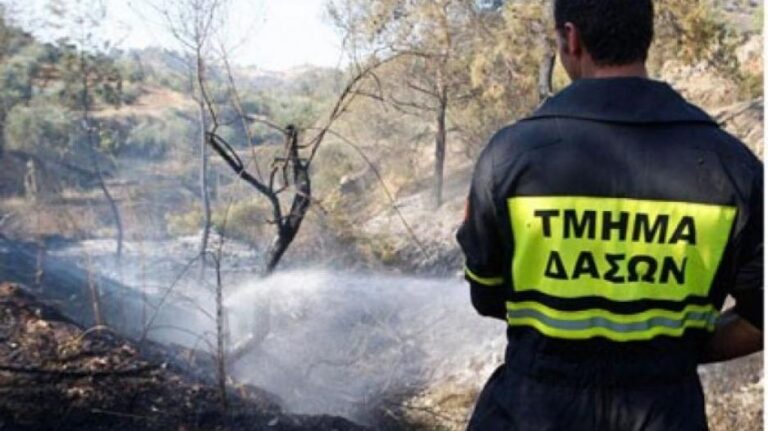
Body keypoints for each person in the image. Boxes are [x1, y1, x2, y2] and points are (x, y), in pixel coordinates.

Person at [456, 0, 763, 430]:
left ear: (571, 38)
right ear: (647, 37)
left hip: (529, 414)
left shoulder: (509, 157)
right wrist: (675, 352)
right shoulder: (736, 168)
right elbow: (759, 319)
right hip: (665, 414)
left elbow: (487, 297)